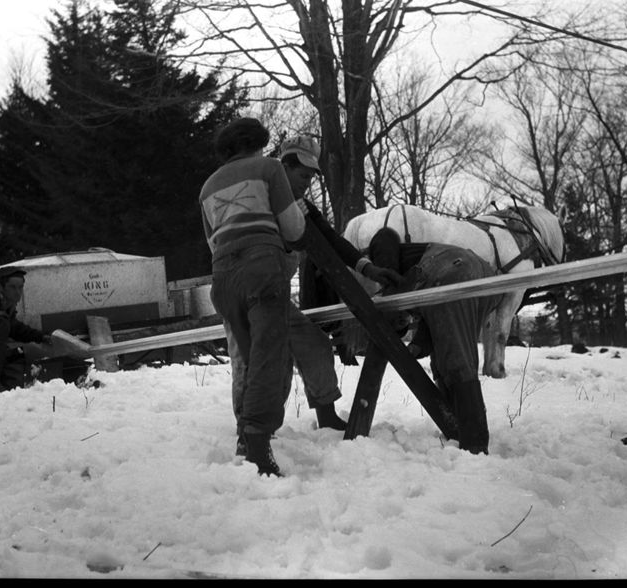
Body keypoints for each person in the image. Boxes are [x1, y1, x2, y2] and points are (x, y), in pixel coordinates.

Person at [225, 134, 403, 447]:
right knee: (255, 360)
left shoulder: (301, 206)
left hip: (275, 295)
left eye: (311, 177)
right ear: (283, 169)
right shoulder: (257, 199)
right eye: (303, 175)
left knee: (315, 345)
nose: (307, 183)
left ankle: (326, 415)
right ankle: (249, 432)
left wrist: (367, 267)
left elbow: (330, 240)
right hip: (245, 292)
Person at [199, 117, 309, 477]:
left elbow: (213, 242)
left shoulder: (206, 189)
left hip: (223, 280)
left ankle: (246, 435)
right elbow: (292, 227)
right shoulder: (269, 168)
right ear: (258, 143)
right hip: (261, 269)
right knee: (269, 357)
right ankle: (258, 445)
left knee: (246, 358)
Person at [366, 227, 503, 454]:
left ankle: (475, 443)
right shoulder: (417, 258)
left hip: (451, 275)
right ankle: (457, 428)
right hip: (484, 278)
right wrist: (417, 347)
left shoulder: (386, 251)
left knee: (457, 359)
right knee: (445, 355)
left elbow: (385, 237)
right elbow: (433, 325)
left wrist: (388, 307)